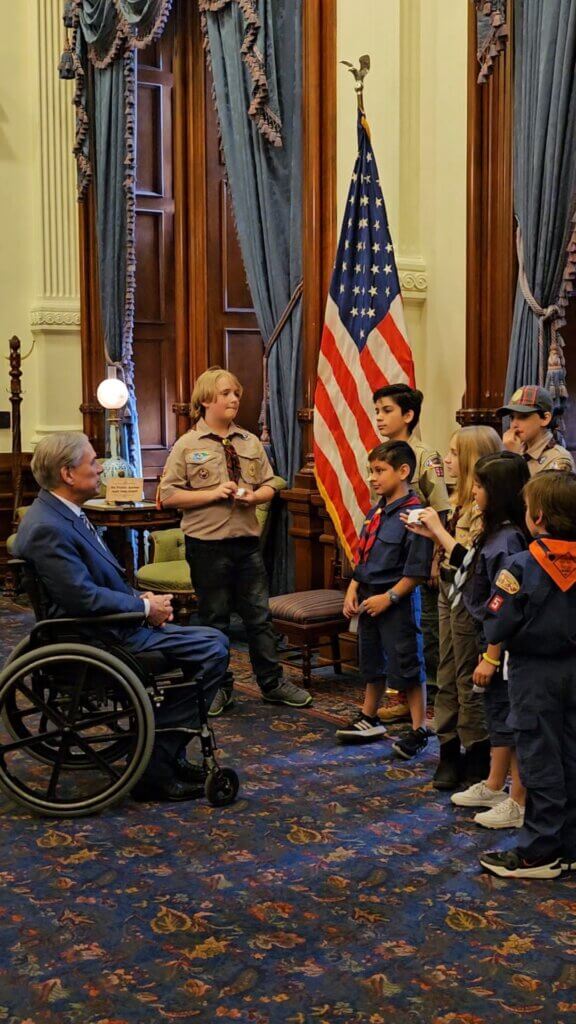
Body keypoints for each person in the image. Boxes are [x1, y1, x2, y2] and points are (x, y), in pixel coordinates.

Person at [13, 432, 230, 803]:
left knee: (206, 639)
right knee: (214, 647)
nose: (99, 469)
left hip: (102, 627)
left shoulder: (58, 513)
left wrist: (141, 598)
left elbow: (95, 583)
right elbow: (82, 597)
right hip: (99, 637)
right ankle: (156, 762)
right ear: (68, 473)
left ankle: (164, 748)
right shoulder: (50, 526)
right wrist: (145, 609)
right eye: (92, 462)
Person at [159, 366, 311, 717]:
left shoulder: (249, 441)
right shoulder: (187, 445)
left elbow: (275, 482)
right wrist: (213, 494)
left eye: (236, 394)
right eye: (226, 393)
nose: (234, 400)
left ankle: (272, 684)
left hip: (245, 546)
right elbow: (168, 497)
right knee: (214, 621)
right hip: (207, 546)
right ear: (206, 399)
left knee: (259, 618)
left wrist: (257, 497)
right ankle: (217, 687)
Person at [405, 451, 530, 829]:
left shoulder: (509, 540)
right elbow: (472, 567)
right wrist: (435, 535)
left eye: (479, 486)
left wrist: (491, 656)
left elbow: (503, 605)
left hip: (497, 643)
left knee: (510, 716)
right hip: (482, 633)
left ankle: (517, 800)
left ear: (501, 492)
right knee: (495, 713)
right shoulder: (493, 531)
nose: (472, 491)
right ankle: (494, 783)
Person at [479, 471, 576, 879]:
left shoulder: (521, 565)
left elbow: (496, 626)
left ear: (536, 516)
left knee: (539, 761)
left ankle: (539, 852)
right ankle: (569, 846)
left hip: (535, 676)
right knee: (571, 757)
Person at [335, 440, 434, 759]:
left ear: (403, 471)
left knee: (408, 663)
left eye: (380, 471)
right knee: (371, 660)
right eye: (370, 471)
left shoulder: (415, 516)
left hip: (396, 601)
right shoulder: (376, 510)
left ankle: (419, 728)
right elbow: (363, 555)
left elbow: (417, 571)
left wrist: (389, 598)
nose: (372, 477)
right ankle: (369, 716)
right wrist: (353, 587)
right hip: (368, 597)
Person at [429, 426, 502, 790]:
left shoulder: (487, 507)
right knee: (444, 669)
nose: (447, 459)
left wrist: (436, 531)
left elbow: (472, 561)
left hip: (469, 594)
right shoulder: (459, 498)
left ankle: (476, 752)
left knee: (466, 674)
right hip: (447, 587)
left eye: (455, 452)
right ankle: (447, 748)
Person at [372, 384, 451, 725]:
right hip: (390, 556)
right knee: (393, 630)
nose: (379, 417)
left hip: (418, 555)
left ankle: (421, 699)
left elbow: (441, 509)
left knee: (422, 630)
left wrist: (434, 557)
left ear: (408, 415)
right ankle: (398, 691)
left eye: (386, 410)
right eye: (376, 411)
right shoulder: (382, 453)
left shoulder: (424, 455)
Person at [500, 385, 575, 474]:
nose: (514, 425)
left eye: (524, 416)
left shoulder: (558, 460)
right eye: (512, 417)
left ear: (545, 419)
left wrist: (512, 458)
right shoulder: (516, 448)